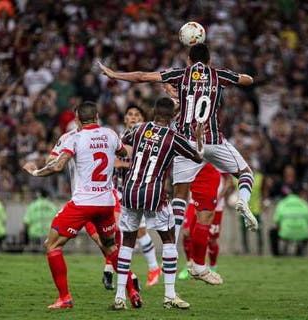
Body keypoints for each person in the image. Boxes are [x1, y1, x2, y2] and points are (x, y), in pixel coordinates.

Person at [98, 43, 258, 284]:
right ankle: (243, 202)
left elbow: (142, 77)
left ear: (188, 58)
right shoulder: (218, 74)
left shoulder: (180, 74)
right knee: (245, 173)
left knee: (180, 194)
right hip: (213, 140)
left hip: (185, 142)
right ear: (209, 59)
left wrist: (114, 74)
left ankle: (170, 242)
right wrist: (241, 76)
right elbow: (248, 80)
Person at [22, 101, 142, 309]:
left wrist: (35, 172)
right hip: (106, 202)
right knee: (110, 247)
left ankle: (65, 298)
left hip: (83, 203)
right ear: (97, 117)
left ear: (76, 120)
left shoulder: (74, 138)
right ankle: (132, 292)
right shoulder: (111, 134)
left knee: (52, 245)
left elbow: (56, 164)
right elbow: (124, 154)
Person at [112, 97, 203, 310]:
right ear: (172, 116)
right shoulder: (174, 137)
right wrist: (198, 139)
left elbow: (121, 146)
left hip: (130, 191)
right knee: (169, 240)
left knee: (127, 242)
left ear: (153, 112)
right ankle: (170, 295)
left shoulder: (139, 129)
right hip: (154, 194)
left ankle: (119, 297)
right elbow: (198, 157)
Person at [104, 105, 161, 290]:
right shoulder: (117, 137)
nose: (134, 117)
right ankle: (120, 270)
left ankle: (117, 270)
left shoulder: (147, 138)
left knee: (135, 232)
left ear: (143, 119)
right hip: (118, 190)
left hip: (138, 190)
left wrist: (120, 162)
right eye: (130, 114)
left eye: (137, 114)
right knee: (120, 230)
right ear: (125, 119)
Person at [178, 165, 229, 280]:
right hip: (195, 199)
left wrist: (219, 197)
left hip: (215, 203)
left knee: (211, 239)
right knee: (186, 232)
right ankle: (190, 265)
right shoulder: (195, 154)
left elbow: (228, 181)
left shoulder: (218, 155)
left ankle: (212, 267)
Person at [269, 189, 308, 256]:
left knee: (272, 232)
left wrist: (283, 228)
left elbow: (277, 221)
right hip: (302, 233)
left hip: (285, 233)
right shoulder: (304, 203)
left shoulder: (282, 203)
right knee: (307, 234)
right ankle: (299, 253)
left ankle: (276, 254)